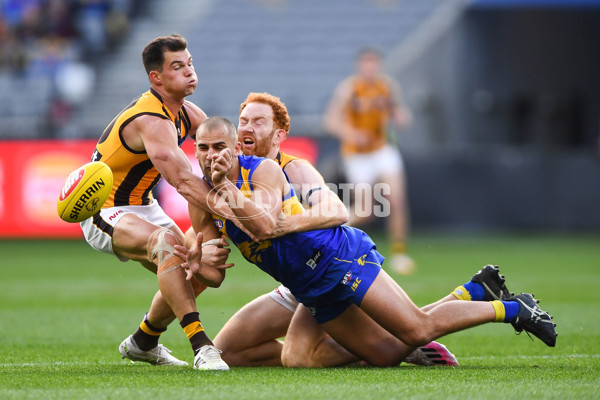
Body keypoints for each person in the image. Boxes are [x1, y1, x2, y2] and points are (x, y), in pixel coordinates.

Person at [179, 116, 557, 369]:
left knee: (416, 330)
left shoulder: (261, 171)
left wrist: (226, 189)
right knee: (390, 352)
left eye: (219, 147)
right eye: (204, 149)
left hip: (336, 257)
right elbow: (216, 275)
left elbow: (262, 226)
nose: (212, 156)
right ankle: (472, 291)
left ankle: (512, 309)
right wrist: (200, 264)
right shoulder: (203, 202)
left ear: (235, 147)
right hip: (309, 287)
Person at [202, 92, 457, 367]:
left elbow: (336, 211)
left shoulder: (294, 169)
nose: (248, 128)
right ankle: (383, 344)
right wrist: (201, 251)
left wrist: (284, 225)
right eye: (244, 121)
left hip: (323, 272)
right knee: (227, 353)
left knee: (298, 358)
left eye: (258, 122)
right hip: (295, 284)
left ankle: (399, 343)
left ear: (278, 136)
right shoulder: (234, 173)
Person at [80, 34, 230, 371]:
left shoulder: (188, 113)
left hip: (143, 205)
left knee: (206, 269)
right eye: (177, 66)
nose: (189, 71)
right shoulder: (151, 120)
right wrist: (240, 211)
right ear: (156, 78)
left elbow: (221, 157)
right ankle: (201, 345)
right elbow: (185, 182)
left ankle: (143, 341)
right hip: (105, 209)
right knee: (167, 245)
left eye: (189, 63)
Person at [324, 46, 415, 275]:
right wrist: (351, 134)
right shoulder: (349, 89)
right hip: (357, 155)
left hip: (382, 150)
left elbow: (398, 111)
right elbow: (331, 121)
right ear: (359, 65)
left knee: (397, 199)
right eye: (366, 63)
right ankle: (328, 229)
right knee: (366, 211)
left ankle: (399, 252)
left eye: (374, 63)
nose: (370, 67)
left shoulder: (387, 87)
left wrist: (401, 116)